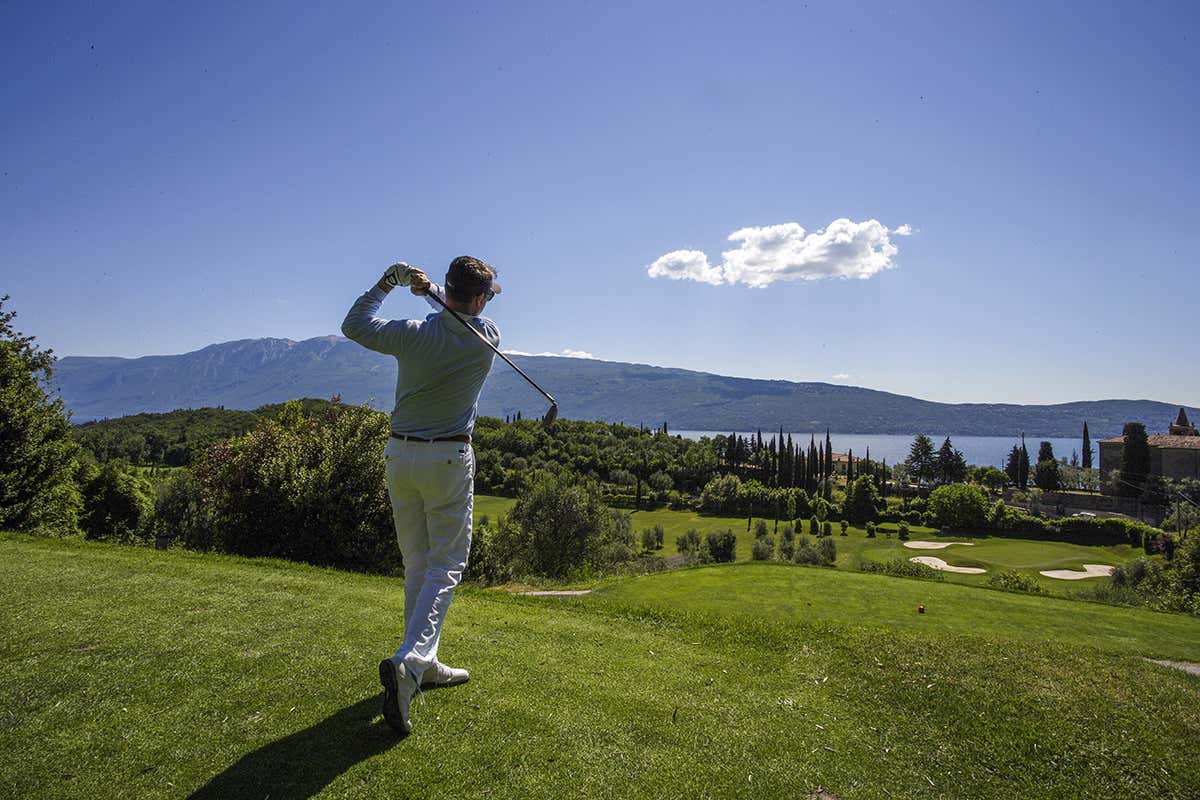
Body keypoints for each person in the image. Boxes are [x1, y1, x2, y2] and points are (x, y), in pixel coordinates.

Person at [341, 255, 501, 735]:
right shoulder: (485, 338)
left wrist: (391, 282)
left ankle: (423, 665)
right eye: (488, 295)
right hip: (449, 460)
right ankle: (412, 661)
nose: (489, 302)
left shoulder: (411, 332)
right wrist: (434, 293)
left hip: (399, 456)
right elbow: (461, 316)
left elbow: (355, 324)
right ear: (476, 300)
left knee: (417, 564)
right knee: (446, 565)